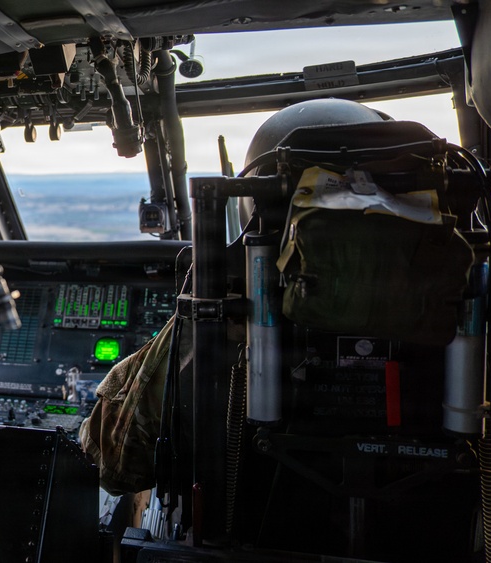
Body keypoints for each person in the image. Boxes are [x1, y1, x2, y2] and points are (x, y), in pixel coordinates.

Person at [79, 99, 389, 497]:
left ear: (255, 196)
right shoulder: (460, 300)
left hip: (246, 528)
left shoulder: (226, 300)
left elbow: (118, 464)